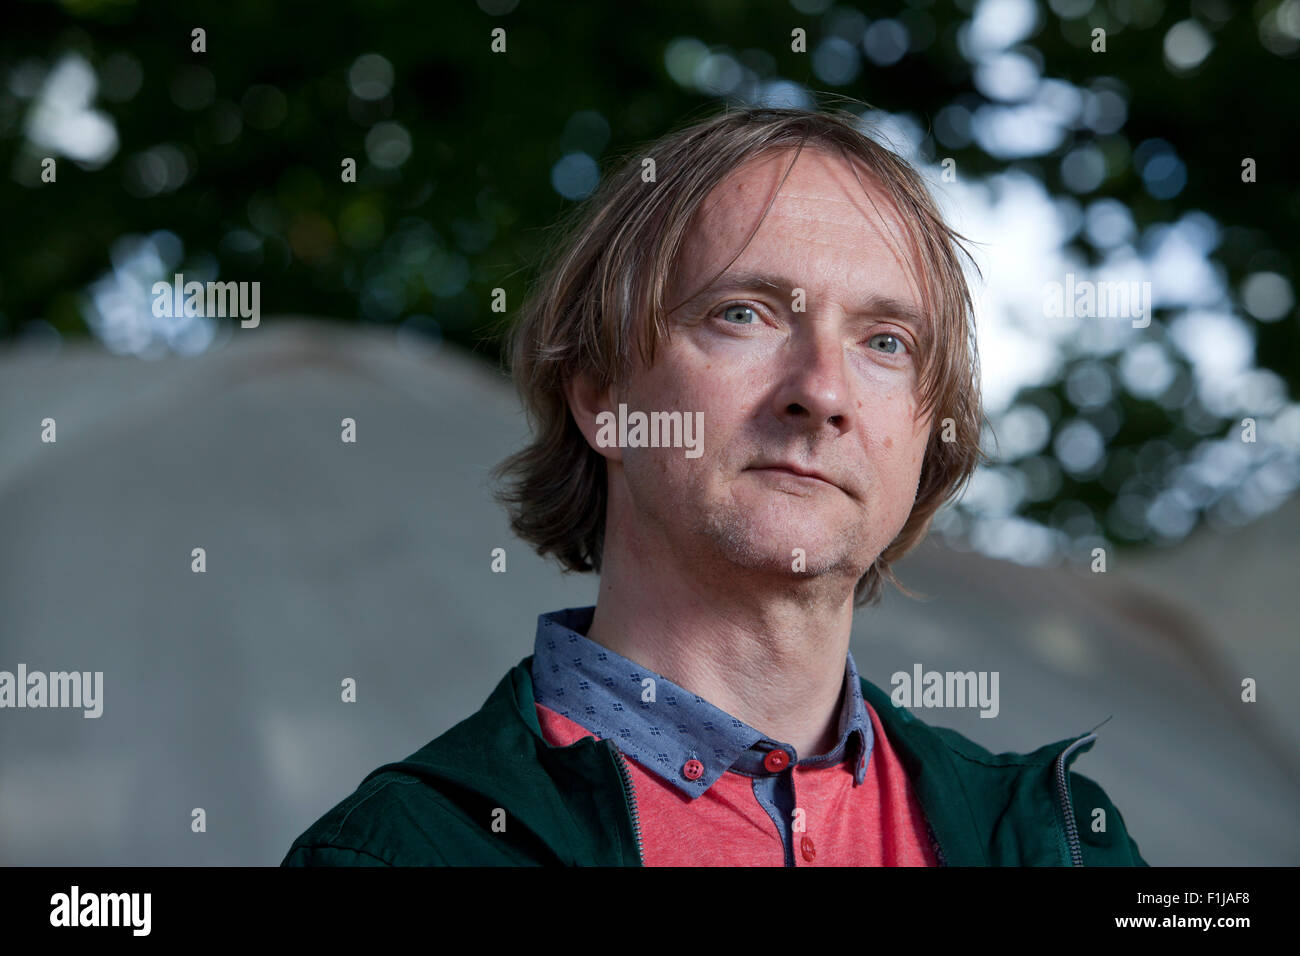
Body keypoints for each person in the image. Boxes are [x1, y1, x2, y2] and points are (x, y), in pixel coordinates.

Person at [282, 105, 1148, 867]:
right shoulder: (405, 852)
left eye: (886, 341)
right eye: (745, 313)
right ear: (602, 397)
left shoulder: (1062, 838)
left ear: (927, 433)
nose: (824, 391)